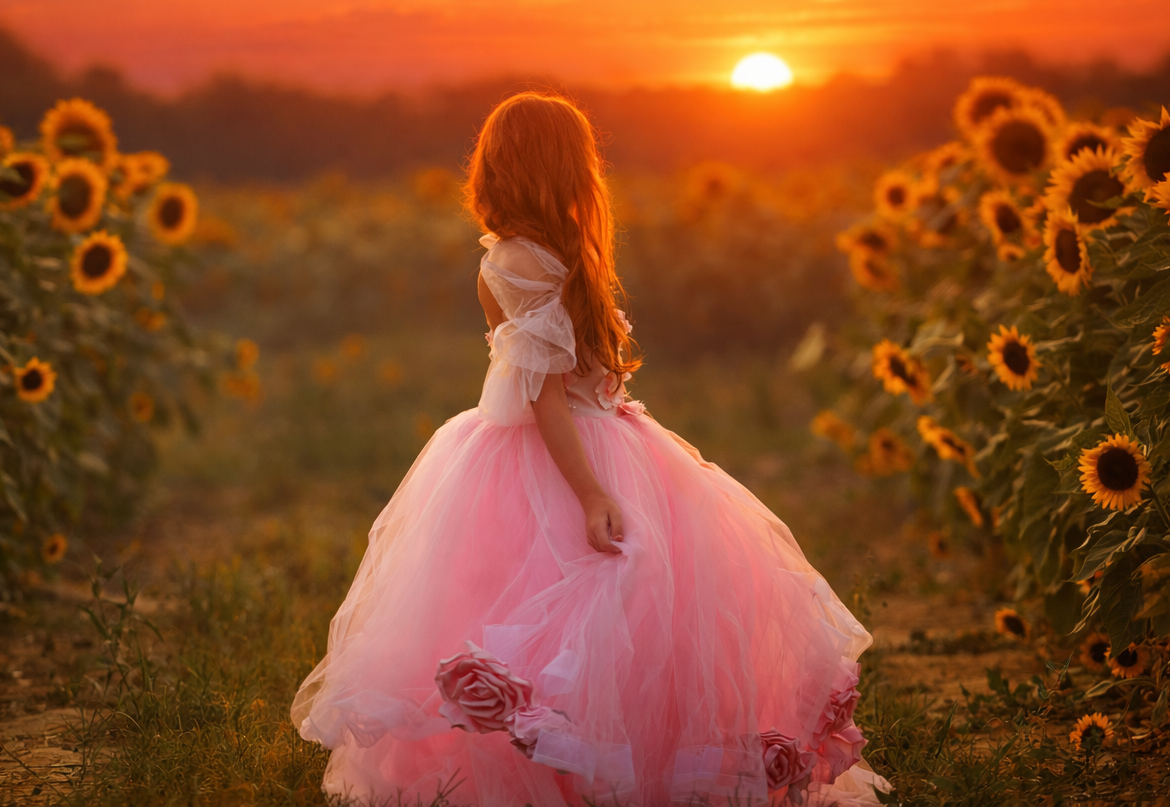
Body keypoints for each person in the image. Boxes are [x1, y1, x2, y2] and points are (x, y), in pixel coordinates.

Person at [291, 93, 889, 806]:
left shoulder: (541, 252)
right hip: (564, 451)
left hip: (601, 430)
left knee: (630, 606)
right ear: (558, 169)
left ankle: (612, 764)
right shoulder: (523, 261)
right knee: (595, 603)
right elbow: (543, 393)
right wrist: (593, 492)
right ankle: (573, 771)